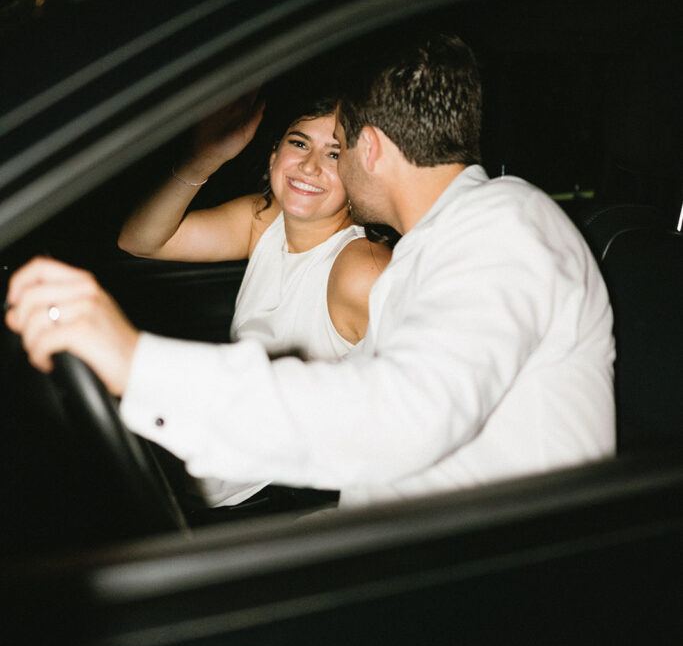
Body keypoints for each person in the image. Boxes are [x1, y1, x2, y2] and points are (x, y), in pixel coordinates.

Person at [6, 36, 616, 510]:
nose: (322, 166)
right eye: (301, 144)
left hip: (492, 596)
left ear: (368, 150)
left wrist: (138, 362)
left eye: (338, 148)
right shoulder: (439, 246)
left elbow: (402, 418)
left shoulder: (501, 230)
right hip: (402, 558)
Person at [117, 90, 392, 508]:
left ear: (360, 175)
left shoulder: (360, 270)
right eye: (299, 143)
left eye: (334, 154)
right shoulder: (264, 222)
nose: (310, 165)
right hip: (215, 469)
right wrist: (205, 157)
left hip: (273, 501)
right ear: (273, 155)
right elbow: (140, 240)